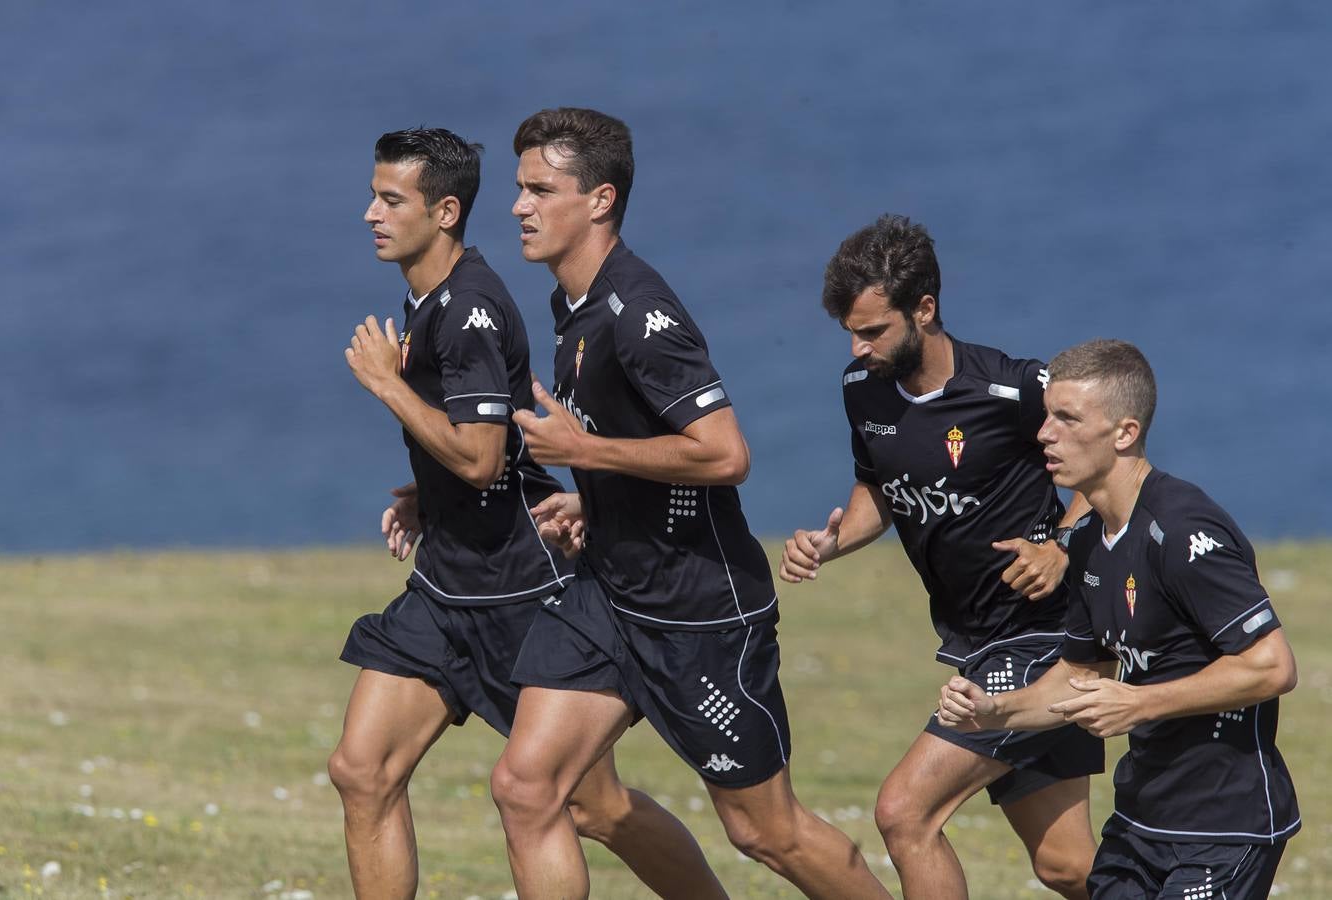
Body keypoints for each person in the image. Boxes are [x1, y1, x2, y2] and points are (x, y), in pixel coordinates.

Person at [488, 107, 893, 900]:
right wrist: (592, 497)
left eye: (539, 189)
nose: (518, 207)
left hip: (700, 611)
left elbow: (725, 453)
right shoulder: (571, 306)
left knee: (764, 832)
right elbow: (632, 440)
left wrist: (585, 455)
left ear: (599, 199)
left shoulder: (640, 314)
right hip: (610, 592)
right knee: (530, 788)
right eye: (518, 188)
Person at [328, 127, 725, 900]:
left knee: (591, 806)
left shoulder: (469, 309)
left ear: (444, 212)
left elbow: (477, 456)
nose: (369, 213)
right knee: (361, 770)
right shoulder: (426, 300)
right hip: (448, 589)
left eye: (389, 199)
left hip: (521, 591)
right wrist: (428, 494)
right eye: (373, 195)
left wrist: (386, 385)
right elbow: (486, 448)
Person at [780, 215, 1103, 899]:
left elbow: (1113, 459)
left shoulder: (1013, 388)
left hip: (1044, 636)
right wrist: (832, 544)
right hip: (973, 641)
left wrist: (1061, 547)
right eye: (849, 333)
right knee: (1068, 867)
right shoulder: (860, 388)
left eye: (873, 331)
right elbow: (881, 487)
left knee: (906, 813)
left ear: (924, 309)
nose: (859, 348)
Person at [938, 338, 1300, 898]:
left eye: (1066, 418)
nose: (1043, 434)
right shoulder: (1085, 541)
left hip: (1223, 828)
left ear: (1125, 433)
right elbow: (1080, 676)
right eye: (1045, 416)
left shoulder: (1183, 531)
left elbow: (1271, 667)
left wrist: (1139, 702)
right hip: (1139, 822)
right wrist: (993, 711)